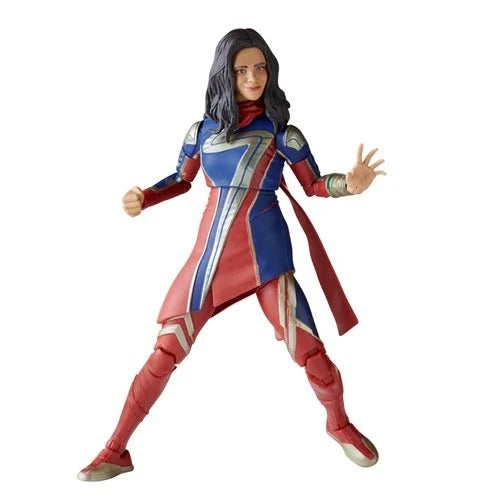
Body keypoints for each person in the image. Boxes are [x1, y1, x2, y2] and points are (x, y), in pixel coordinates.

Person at [78, 28, 385, 481]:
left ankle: (339, 424)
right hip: (209, 259)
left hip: (267, 257)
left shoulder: (283, 134)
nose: (253, 78)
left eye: (260, 68)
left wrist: (348, 184)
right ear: (225, 74)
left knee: (309, 350)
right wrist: (146, 196)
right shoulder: (201, 132)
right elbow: (181, 179)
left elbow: (314, 184)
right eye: (242, 70)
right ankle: (115, 448)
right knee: (164, 352)